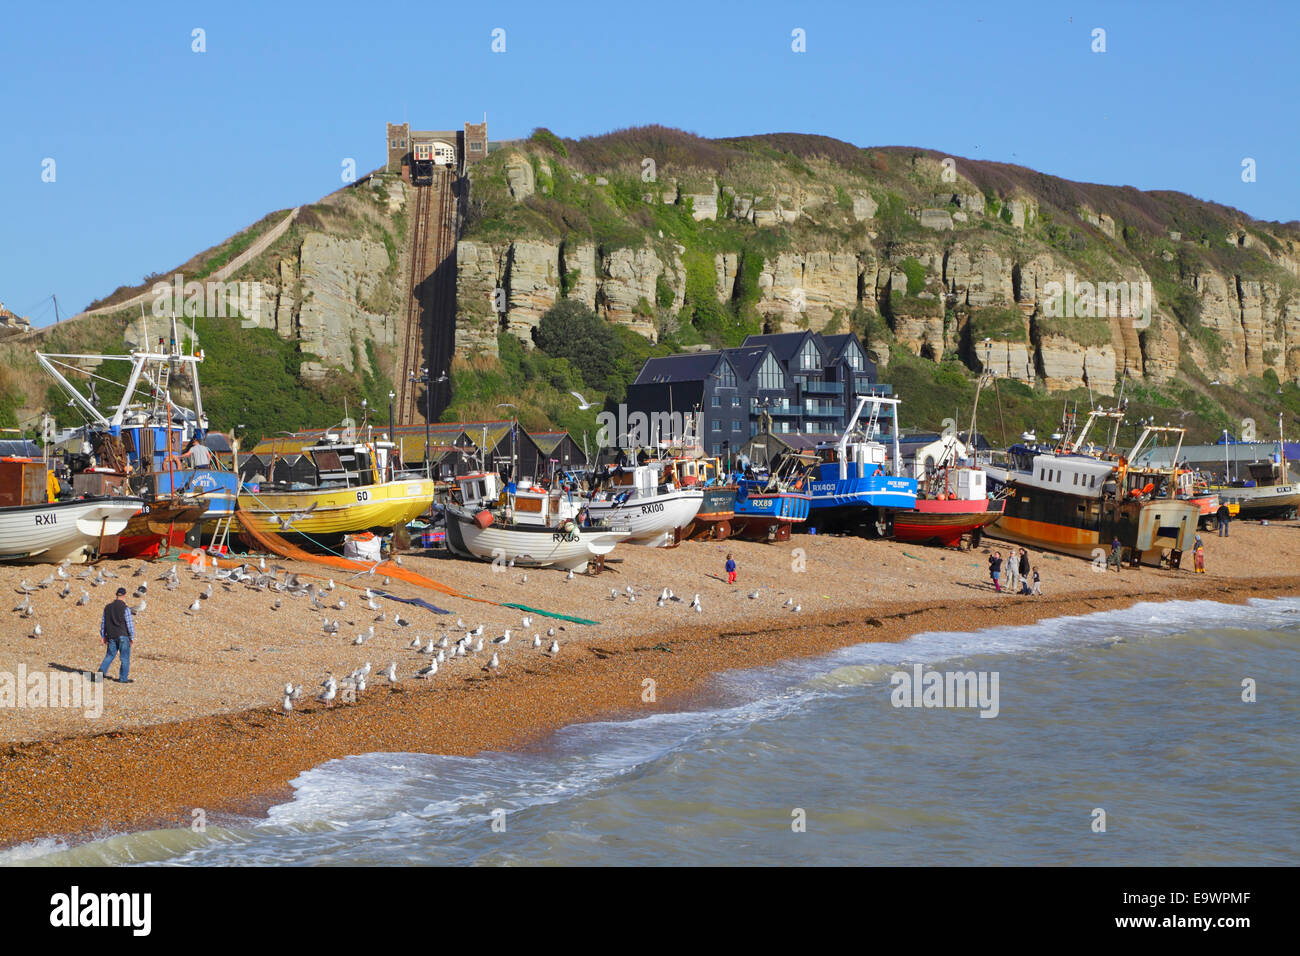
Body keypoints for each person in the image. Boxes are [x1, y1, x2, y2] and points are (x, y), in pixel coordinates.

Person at [97, 587, 136, 683]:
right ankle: (123, 679)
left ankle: (99, 675)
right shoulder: (125, 608)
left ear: (116, 594)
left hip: (111, 635)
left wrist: (103, 635)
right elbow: (129, 623)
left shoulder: (107, 607)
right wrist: (132, 637)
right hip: (123, 635)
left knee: (109, 655)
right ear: (124, 595)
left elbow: (103, 623)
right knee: (124, 658)